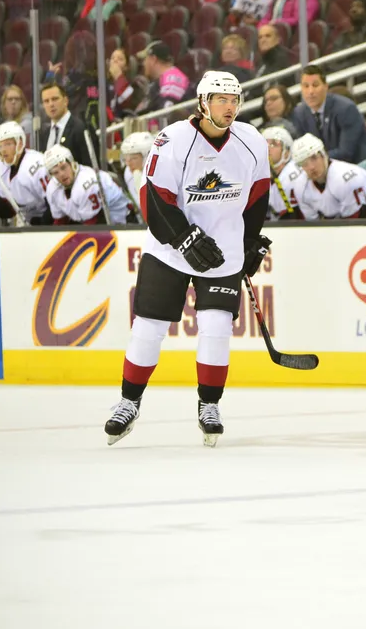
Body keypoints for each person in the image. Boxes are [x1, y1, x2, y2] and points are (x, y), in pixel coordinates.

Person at [104, 71, 271, 447]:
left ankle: (209, 405)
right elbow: (153, 197)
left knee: (216, 326)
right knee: (149, 326)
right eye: (221, 99)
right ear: (202, 102)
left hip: (223, 251)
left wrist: (249, 240)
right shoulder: (173, 139)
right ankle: (128, 402)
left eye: (234, 100)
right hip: (168, 249)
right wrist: (183, 237)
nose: (229, 107)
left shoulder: (252, 141)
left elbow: (259, 194)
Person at [290, 65, 366, 192]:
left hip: (363, 173)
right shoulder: (299, 113)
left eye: (315, 85)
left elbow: (346, 152)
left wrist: (315, 161)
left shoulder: (346, 108)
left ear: (325, 87)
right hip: (332, 179)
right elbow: (303, 150)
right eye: (306, 86)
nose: (310, 91)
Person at [289, 133, 366, 219]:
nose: (311, 167)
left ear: (324, 155)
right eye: (303, 163)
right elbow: (314, 227)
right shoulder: (300, 187)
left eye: (314, 158)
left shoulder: (346, 178)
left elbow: (360, 221)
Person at [43, 144, 131, 224]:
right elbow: (60, 221)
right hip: (90, 221)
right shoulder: (52, 189)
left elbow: (92, 224)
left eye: (63, 167)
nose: (61, 174)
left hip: (121, 220)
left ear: (72, 163)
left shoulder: (86, 182)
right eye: (55, 172)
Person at [0, 122, 51, 225]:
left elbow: (55, 203)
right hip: (25, 222)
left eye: (8, 144)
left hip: (50, 221)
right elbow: (8, 212)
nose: (3, 150)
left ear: (20, 143)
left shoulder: (37, 163)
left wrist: (43, 224)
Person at [39, 82, 97, 167]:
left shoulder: (81, 128)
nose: (51, 104)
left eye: (55, 99)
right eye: (46, 101)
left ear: (65, 101)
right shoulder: (45, 134)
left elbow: (91, 165)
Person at [261, 125, 304, 219]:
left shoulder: (295, 176)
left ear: (287, 151)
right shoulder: (258, 174)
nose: (267, 148)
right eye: (264, 144)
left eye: (274, 144)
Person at [136, 41, 189, 116]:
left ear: (153, 59)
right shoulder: (158, 82)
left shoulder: (172, 80)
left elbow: (167, 113)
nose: (143, 64)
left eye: (145, 59)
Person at [120, 131, 154, 212]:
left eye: (134, 158)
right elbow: (141, 204)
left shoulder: (160, 173)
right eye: (126, 158)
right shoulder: (128, 173)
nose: (128, 163)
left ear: (147, 157)